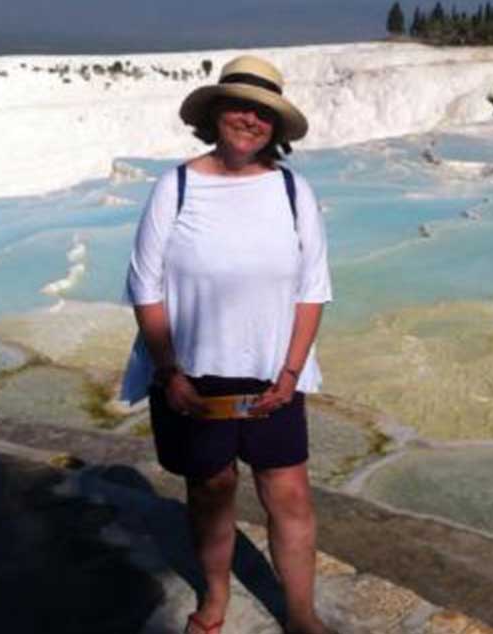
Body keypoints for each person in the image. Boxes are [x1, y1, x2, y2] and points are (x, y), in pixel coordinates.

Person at [123, 55, 333, 634]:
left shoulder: (294, 191)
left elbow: (313, 290)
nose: (250, 119)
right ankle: (215, 597)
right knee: (211, 488)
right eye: (239, 105)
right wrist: (169, 372)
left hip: (273, 371)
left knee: (288, 495)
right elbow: (146, 285)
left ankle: (301, 614)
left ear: (277, 127)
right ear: (215, 113)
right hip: (190, 372)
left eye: (263, 112)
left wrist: (290, 374)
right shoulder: (177, 186)